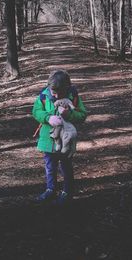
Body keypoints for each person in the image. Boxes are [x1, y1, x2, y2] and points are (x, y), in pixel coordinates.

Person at [32, 70, 87, 204]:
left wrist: (69, 115)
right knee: (50, 166)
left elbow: (82, 115)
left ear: (67, 88)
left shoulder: (73, 96)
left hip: (65, 141)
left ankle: (67, 192)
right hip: (47, 139)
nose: (55, 95)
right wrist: (48, 117)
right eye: (53, 92)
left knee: (66, 167)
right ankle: (51, 189)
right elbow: (36, 111)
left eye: (59, 93)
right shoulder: (43, 96)